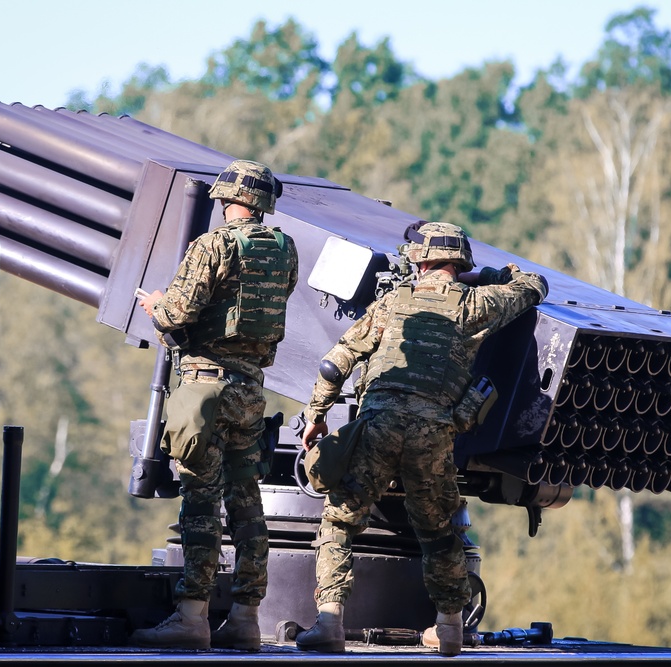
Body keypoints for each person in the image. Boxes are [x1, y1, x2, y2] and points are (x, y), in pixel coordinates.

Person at [294, 221, 548, 656]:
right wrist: (486, 275)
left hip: (379, 423)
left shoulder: (394, 300)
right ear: (460, 262)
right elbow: (534, 285)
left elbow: (336, 363)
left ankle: (330, 622)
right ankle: (449, 628)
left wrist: (316, 416)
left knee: (340, 521)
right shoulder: (476, 303)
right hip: (433, 433)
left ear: (420, 260)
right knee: (438, 530)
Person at [131, 159, 298, 651]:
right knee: (247, 502)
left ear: (228, 198)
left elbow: (177, 313)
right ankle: (246, 619)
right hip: (250, 389)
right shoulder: (284, 249)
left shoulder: (213, 245)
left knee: (201, 502)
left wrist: (156, 304)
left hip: (205, 386)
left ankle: (192, 616)